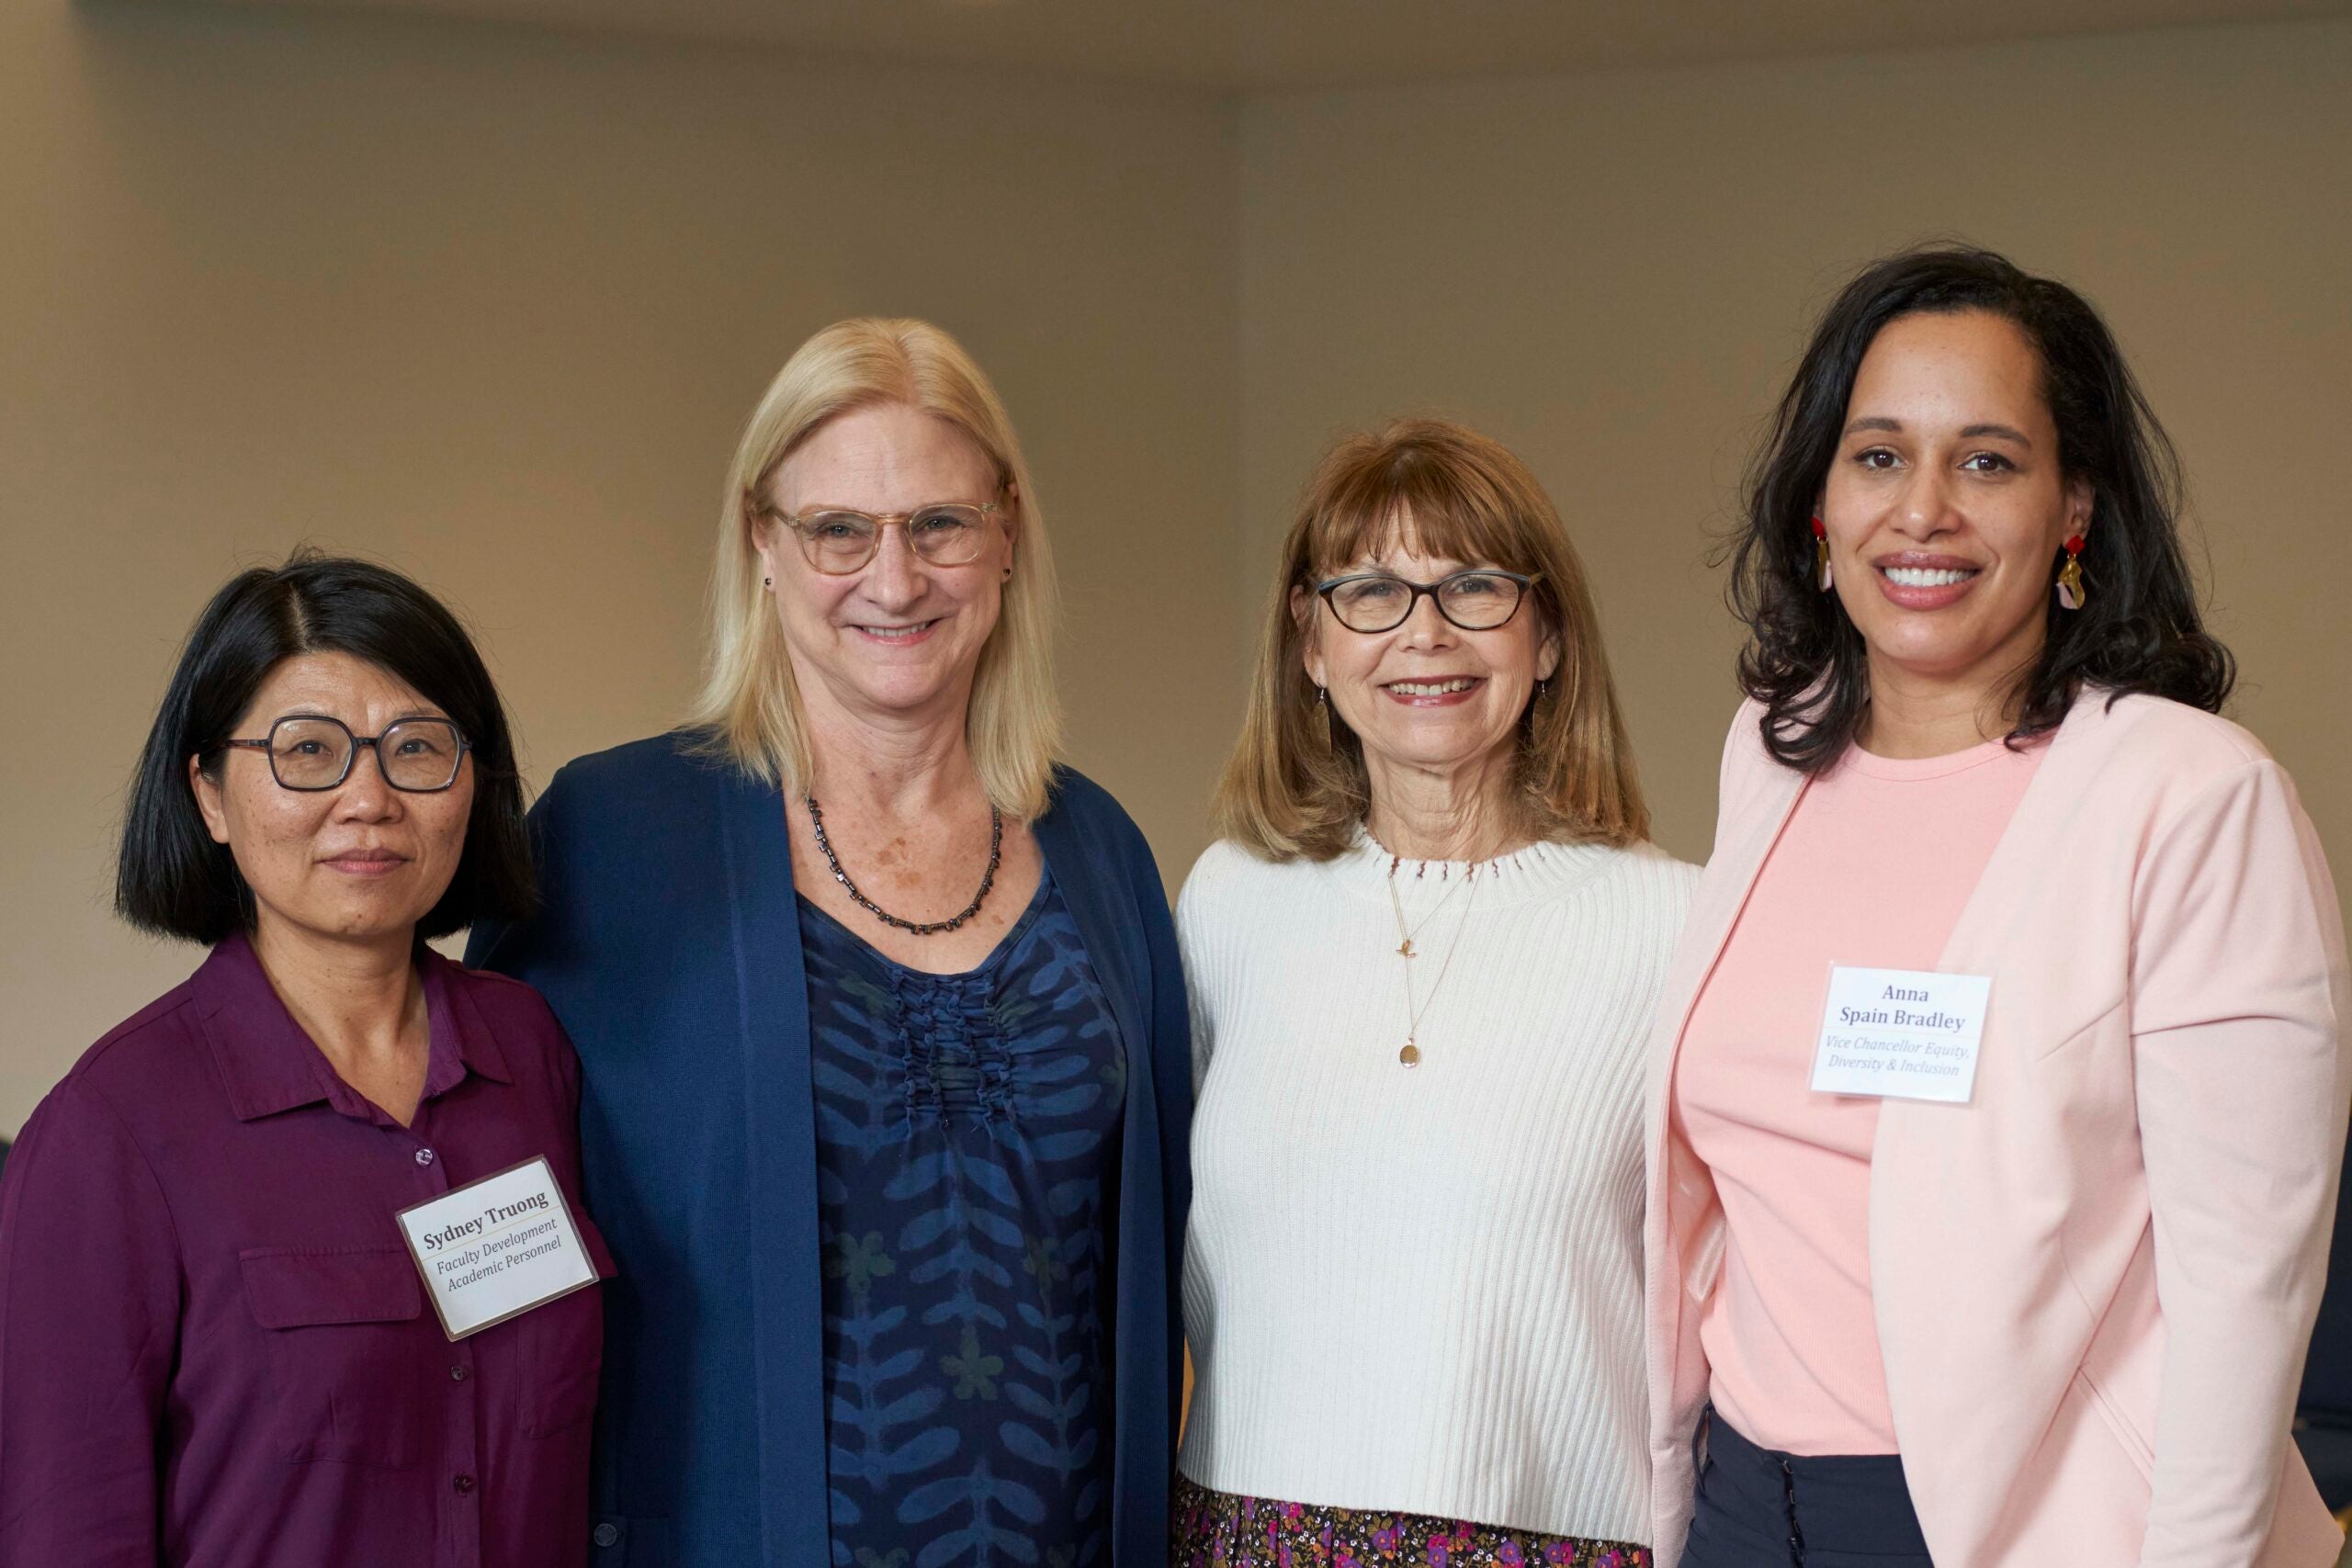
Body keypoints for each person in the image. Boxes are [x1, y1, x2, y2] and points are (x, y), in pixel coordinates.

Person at [1646, 246, 2350, 1566]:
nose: (1923, 511)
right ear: (1818, 501)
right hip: (1743, 1500)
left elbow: (2241, 1284)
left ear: (2073, 506)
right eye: (1876, 456)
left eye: (1986, 460)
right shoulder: (1773, 749)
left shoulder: (2190, 796)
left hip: (2036, 1516)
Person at [469, 317, 1191, 1567]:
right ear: (762, 541)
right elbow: (492, 1235)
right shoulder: (612, 842)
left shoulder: (1103, 852)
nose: (895, 578)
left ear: (1008, 534)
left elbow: (1173, 1263)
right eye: (839, 529)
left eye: (940, 524)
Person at [0, 553, 602, 1568]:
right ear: (210, 798)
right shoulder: (112, 1132)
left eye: (416, 748)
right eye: (307, 750)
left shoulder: (532, 1051)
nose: (368, 798)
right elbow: (65, 1527)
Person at [1175, 419, 1695, 1564]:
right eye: (1370, 590)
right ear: (1309, 643)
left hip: (1554, 1537)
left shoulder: (1676, 926)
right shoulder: (1228, 902)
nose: (1423, 633)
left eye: (1474, 587)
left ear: (1548, 634)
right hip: (1244, 1530)